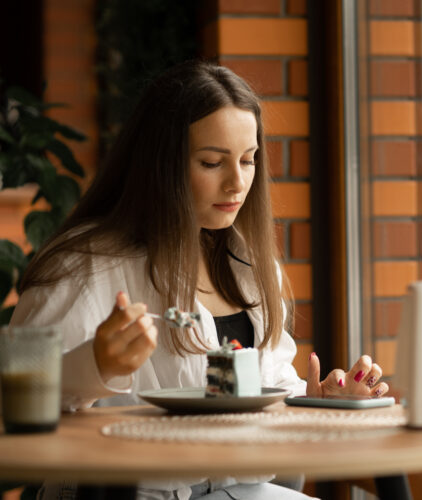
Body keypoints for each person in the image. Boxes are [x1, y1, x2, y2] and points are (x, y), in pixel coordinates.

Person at [10, 60, 389, 499]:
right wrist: (95, 365)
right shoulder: (85, 263)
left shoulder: (246, 264)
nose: (237, 183)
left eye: (249, 160)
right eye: (212, 162)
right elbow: (17, 395)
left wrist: (317, 402)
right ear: (161, 164)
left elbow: (268, 386)